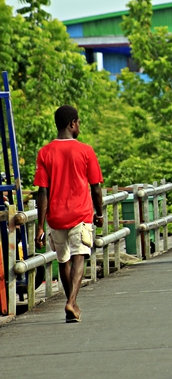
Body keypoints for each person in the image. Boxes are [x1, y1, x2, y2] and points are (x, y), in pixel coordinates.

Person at [34, 105, 104, 323]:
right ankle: (71, 302)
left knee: (63, 259)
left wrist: (39, 226)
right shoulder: (86, 151)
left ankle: (71, 303)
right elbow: (96, 188)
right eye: (79, 122)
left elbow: (42, 193)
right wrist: (99, 213)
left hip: (55, 217)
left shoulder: (44, 153)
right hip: (80, 214)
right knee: (79, 255)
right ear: (72, 124)